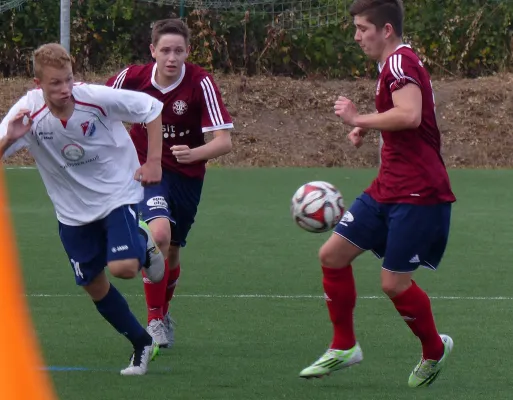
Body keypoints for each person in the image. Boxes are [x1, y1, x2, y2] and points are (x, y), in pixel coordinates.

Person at [299, 0, 456, 388]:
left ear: (385, 30)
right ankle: (344, 346)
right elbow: (403, 116)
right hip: (388, 185)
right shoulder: (390, 65)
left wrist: (358, 118)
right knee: (332, 255)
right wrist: (369, 127)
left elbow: (410, 114)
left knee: (393, 284)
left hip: (419, 192)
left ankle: (434, 349)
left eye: (362, 28)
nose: (356, 36)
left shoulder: (400, 62)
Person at [0, 43, 167, 376]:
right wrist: (10, 140)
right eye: (55, 84)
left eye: (69, 80)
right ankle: (141, 343)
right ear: (37, 85)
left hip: (116, 193)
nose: (65, 89)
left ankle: (139, 239)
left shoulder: (95, 98)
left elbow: (151, 108)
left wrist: (153, 162)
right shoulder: (27, 113)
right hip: (72, 212)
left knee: (122, 268)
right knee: (93, 285)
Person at [106, 18, 233, 348]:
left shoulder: (199, 82)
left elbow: (224, 141)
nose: (172, 58)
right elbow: (97, 106)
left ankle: (162, 313)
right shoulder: (131, 78)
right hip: (147, 171)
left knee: (172, 251)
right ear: (153, 51)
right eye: (165, 50)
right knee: (159, 234)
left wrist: (195, 153)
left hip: (187, 177)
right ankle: (153, 320)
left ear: (187, 51)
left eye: (179, 51)